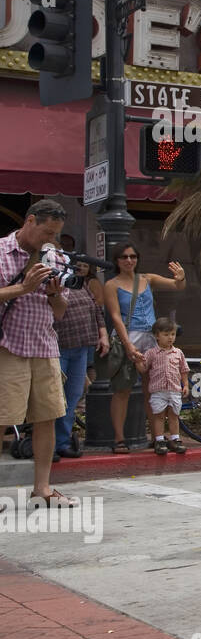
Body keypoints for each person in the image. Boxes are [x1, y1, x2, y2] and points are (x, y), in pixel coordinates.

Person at [0, 199, 76, 508]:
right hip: (9, 346)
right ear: (29, 221)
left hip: (45, 346)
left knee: (47, 417)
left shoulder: (57, 258)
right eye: (45, 232)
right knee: (2, 416)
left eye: (55, 234)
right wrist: (22, 288)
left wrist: (55, 294)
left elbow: (60, 313)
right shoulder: (2, 252)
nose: (49, 240)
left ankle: (42, 488)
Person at [103, 242, 187, 453]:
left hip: (151, 338)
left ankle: (157, 437)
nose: (129, 260)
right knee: (123, 389)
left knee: (154, 389)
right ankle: (119, 439)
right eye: (124, 257)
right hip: (127, 337)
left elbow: (177, 286)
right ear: (117, 260)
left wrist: (181, 276)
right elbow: (115, 317)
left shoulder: (147, 279)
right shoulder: (111, 285)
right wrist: (128, 345)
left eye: (133, 256)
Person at [52, 259, 110, 458]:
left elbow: (96, 311)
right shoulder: (52, 284)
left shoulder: (81, 284)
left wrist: (103, 335)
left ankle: (62, 442)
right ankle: (47, 444)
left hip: (83, 348)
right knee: (53, 398)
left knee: (73, 395)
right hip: (58, 348)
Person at [132, 317, 190, 454]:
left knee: (174, 415)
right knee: (158, 415)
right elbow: (144, 369)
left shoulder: (178, 353)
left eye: (172, 334)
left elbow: (184, 370)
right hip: (158, 391)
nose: (170, 338)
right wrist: (137, 361)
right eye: (166, 335)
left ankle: (175, 439)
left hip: (175, 390)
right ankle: (159, 440)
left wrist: (185, 384)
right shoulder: (152, 353)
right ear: (157, 336)